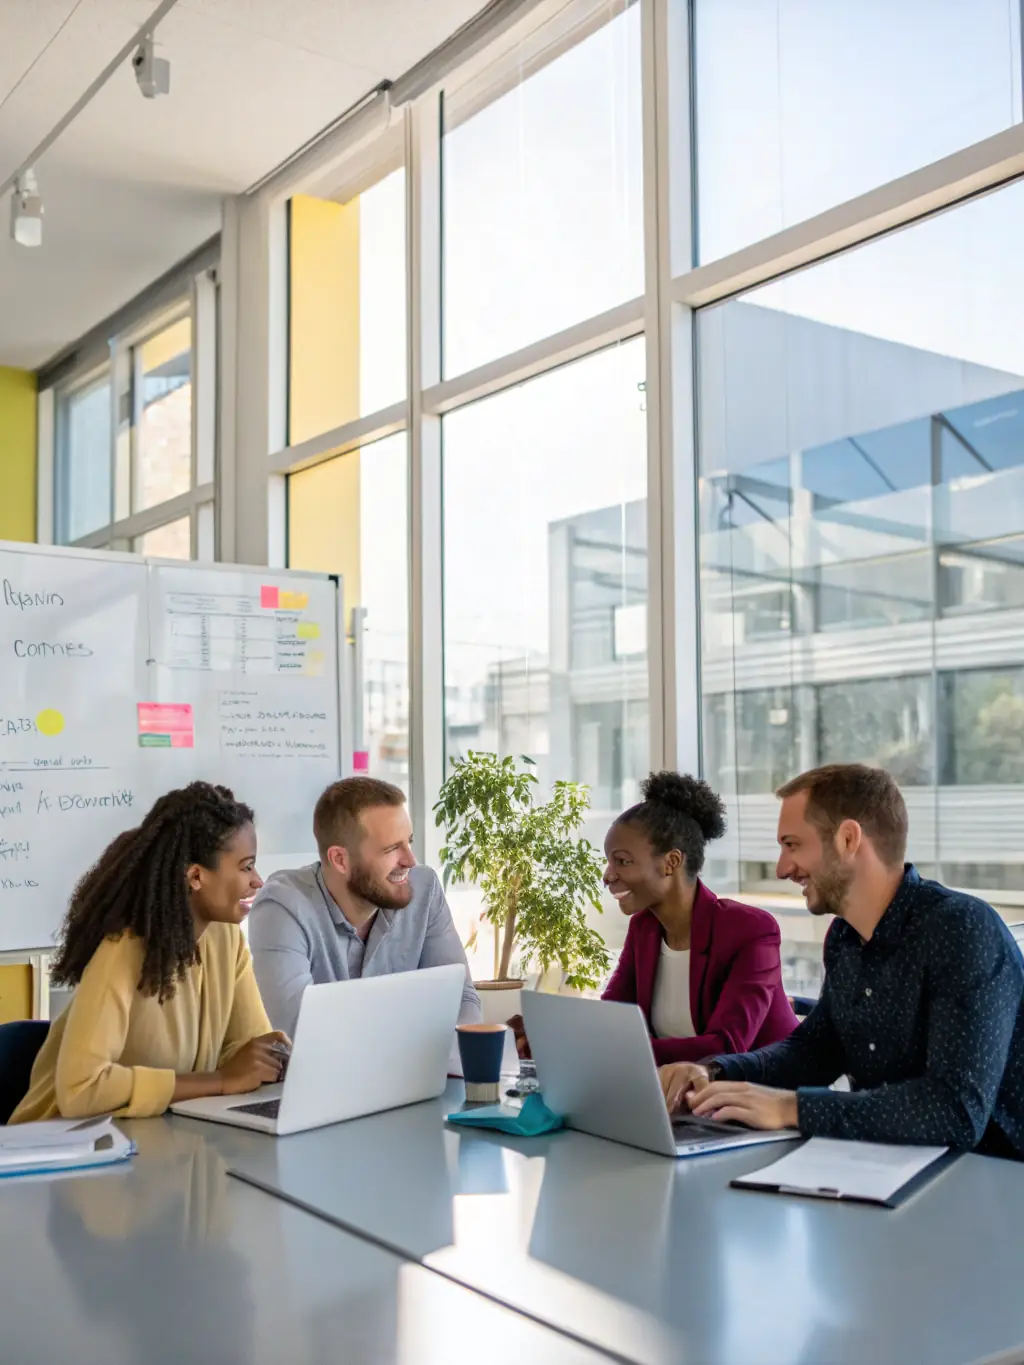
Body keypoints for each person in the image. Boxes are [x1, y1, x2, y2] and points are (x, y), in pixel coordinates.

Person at [660, 764, 1024, 1159]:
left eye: (792, 845)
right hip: (890, 1167)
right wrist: (715, 1072)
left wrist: (789, 1109)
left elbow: (955, 1110)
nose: (782, 868)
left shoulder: (961, 929)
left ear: (849, 838)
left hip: (993, 1179)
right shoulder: (844, 938)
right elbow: (814, 1051)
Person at [11, 783, 288, 1124]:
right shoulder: (124, 946)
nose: (257, 881)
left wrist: (272, 1059)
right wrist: (220, 1080)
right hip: (63, 1148)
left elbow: (243, 1049)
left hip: (157, 1138)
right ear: (196, 876)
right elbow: (82, 1089)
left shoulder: (226, 939)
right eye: (246, 867)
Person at [249, 777, 481, 1039]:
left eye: (409, 842)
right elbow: (298, 1029)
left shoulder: (423, 889)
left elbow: (461, 1001)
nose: (410, 860)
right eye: (392, 849)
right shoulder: (283, 906)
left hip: (419, 1075)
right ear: (340, 859)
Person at [600, 771, 798, 1064]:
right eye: (609, 861)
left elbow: (728, 1046)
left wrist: (623, 1051)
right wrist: (550, 1036)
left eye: (623, 861)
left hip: (765, 1096)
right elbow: (612, 1019)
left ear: (671, 862)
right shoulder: (644, 929)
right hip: (689, 1096)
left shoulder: (750, 930)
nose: (608, 876)